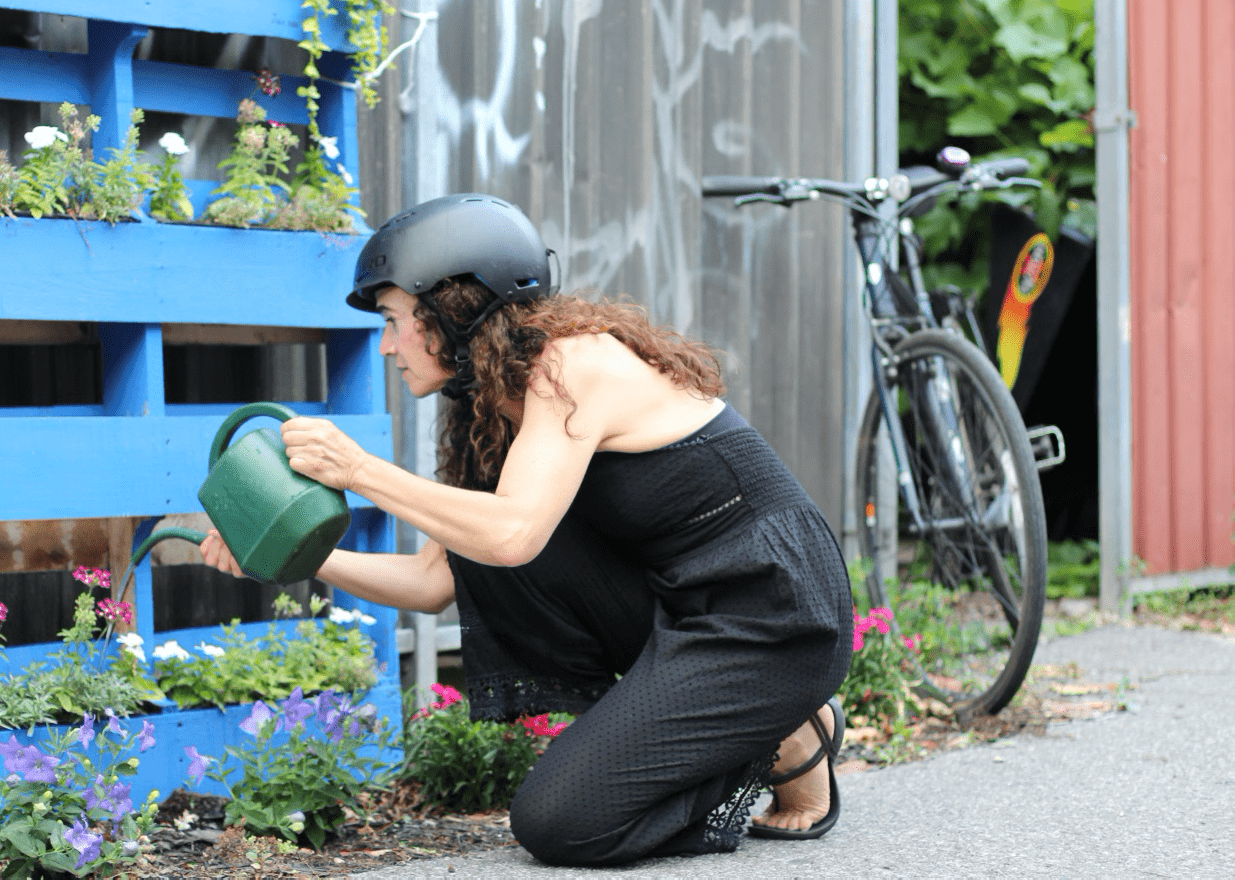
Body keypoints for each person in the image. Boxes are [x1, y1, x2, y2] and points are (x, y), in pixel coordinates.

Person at [200, 193, 853, 866]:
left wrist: (360, 470)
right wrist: (290, 556)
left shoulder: (572, 364)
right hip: (683, 604)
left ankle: (778, 726)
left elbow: (511, 534)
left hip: (773, 610)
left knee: (558, 822)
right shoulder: (487, 405)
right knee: (473, 534)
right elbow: (436, 579)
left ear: (452, 310)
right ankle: (778, 724)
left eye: (396, 320)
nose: (387, 344)